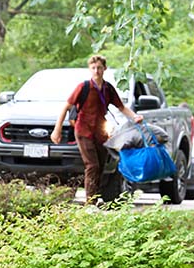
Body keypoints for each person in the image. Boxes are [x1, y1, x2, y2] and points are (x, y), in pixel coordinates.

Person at [51, 55, 144, 203]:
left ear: (104, 69)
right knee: (92, 165)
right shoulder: (84, 87)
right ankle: (91, 201)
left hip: (100, 131)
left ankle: (96, 196)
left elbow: (121, 107)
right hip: (83, 130)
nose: (97, 71)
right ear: (90, 69)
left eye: (99, 68)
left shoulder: (108, 88)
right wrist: (57, 129)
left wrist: (134, 117)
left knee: (100, 165)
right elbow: (66, 107)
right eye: (94, 68)